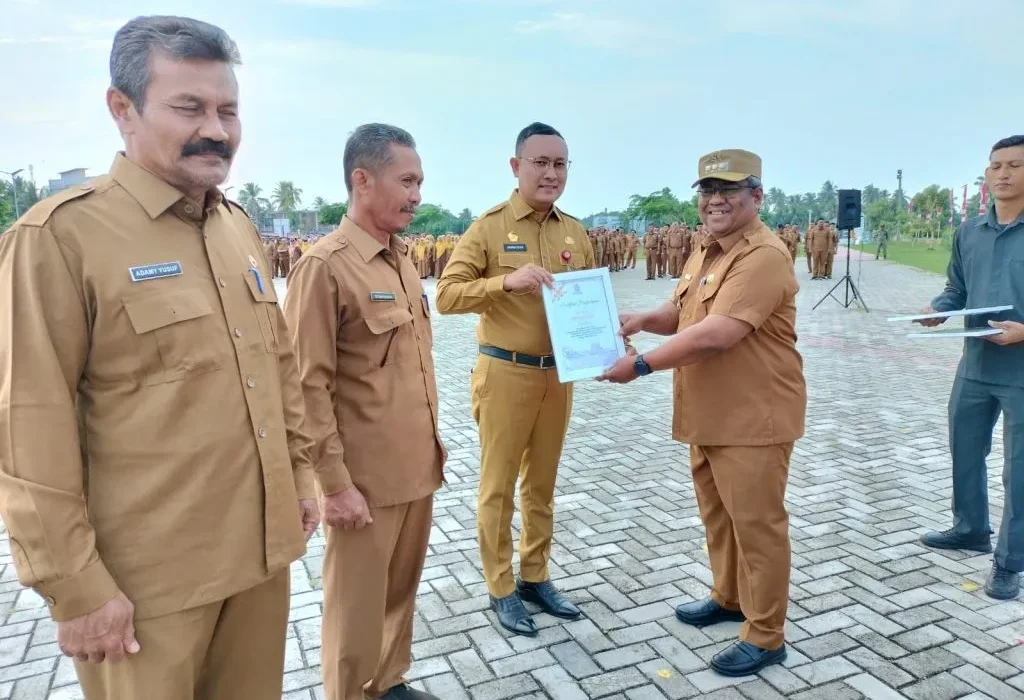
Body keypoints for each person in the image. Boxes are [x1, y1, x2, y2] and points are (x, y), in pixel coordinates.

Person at [0, 16, 320, 699]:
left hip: (260, 562)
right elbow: (29, 427)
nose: (218, 129)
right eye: (189, 107)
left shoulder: (236, 229)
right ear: (122, 110)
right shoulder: (59, 239)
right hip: (146, 593)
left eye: (228, 110)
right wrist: (76, 589)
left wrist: (301, 474)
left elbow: (278, 369)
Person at [598, 149, 805, 677]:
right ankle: (729, 597)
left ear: (756, 197)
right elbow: (685, 313)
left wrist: (640, 365)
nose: (715, 201)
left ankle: (765, 634)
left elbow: (717, 333)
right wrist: (643, 318)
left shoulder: (763, 255)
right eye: (708, 191)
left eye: (729, 191)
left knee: (757, 526)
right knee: (720, 518)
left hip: (752, 418)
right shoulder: (706, 250)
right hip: (711, 414)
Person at [284, 124, 447, 700]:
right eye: (406, 180)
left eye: (419, 181)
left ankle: (388, 682)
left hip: (415, 468)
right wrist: (333, 485)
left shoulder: (402, 261)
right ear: (362, 179)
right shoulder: (324, 267)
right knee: (354, 610)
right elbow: (307, 387)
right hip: (363, 484)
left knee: (400, 594)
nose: (417, 194)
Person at [436, 122, 595, 636]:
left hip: (559, 376)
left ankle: (535, 574)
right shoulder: (488, 227)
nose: (551, 174)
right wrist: (506, 281)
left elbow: (589, 303)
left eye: (560, 164)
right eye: (540, 163)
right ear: (516, 167)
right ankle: (501, 587)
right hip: (505, 373)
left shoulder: (575, 231)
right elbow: (446, 295)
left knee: (542, 484)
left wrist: (610, 341)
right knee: (498, 486)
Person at [915, 134, 1024, 600]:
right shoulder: (969, 231)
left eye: (1015, 166)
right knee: (964, 450)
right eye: (995, 166)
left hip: (1021, 370)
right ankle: (970, 529)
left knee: (1018, 470)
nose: (1002, 174)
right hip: (975, 364)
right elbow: (956, 288)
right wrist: (940, 307)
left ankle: (1009, 562)